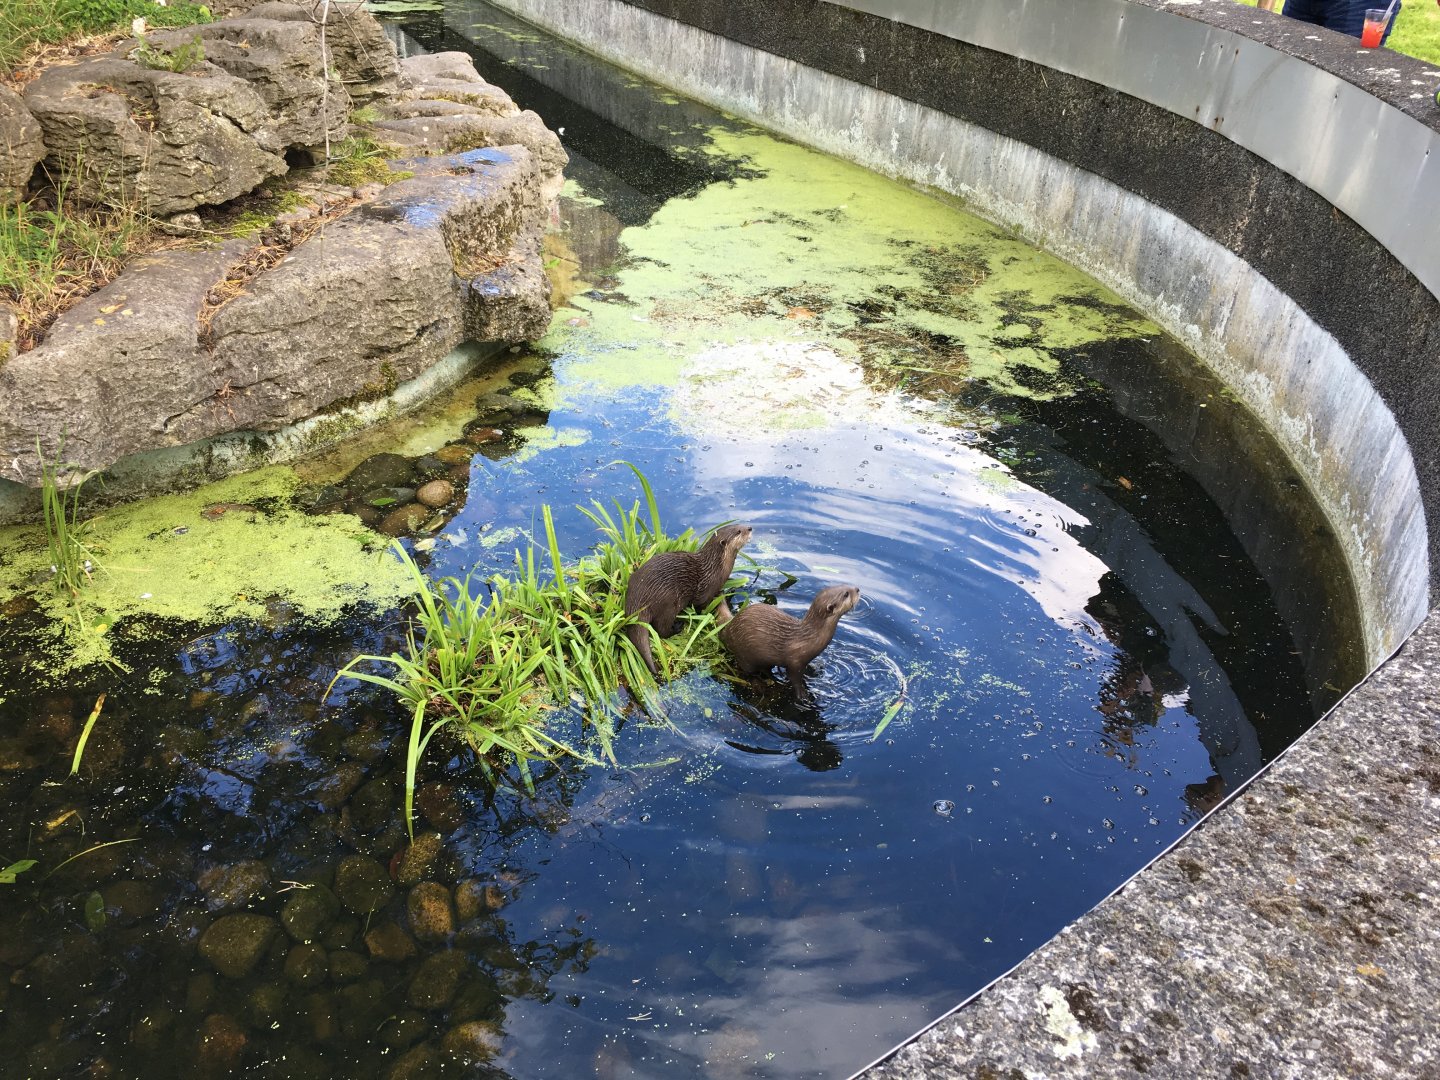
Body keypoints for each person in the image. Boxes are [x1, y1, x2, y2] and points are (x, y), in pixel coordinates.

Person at [1262, 0, 1402, 43]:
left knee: (1346, 86)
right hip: (1302, 4)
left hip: (1359, 4)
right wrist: (1262, 17)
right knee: (1286, 71)